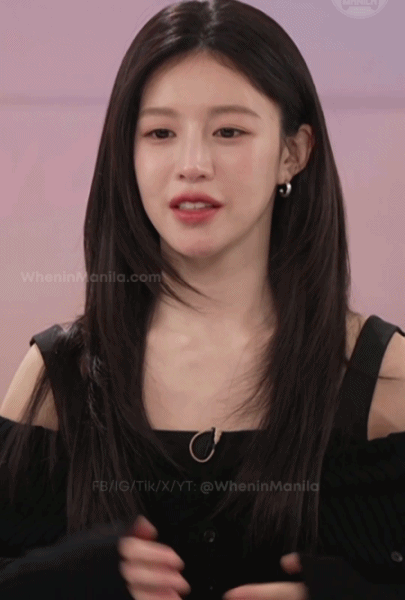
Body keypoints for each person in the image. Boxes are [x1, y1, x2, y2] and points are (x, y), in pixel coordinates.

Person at [1, 0, 405, 599]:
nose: (192, 165)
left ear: (293, 153)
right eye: (160, 133)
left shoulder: (381, 374)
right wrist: (63, 581)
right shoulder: (59, 375)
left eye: (229, 132)